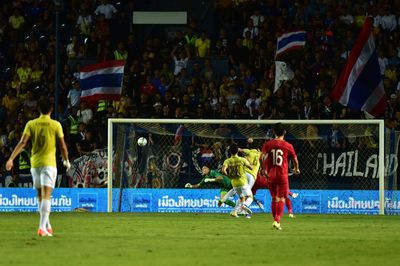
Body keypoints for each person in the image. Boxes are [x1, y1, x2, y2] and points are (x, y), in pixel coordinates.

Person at [6, 98, 71, 237]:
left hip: (35, 164)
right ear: (51, 110)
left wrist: (11, 158)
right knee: (47, 195)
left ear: (39, 110)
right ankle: (42, 227)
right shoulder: (55, 125)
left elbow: (23, 142)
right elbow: (63, 146)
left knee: (40, 195)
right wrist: (66, 161)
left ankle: (47, 225)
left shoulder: (31, 123)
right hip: (49, 164)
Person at [261, 123, 300, 230]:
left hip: (270, 175)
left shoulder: (268, 144)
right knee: (282, 198)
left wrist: (263, 169)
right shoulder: (288, 145)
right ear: (284, 132)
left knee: (274, 198)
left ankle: (275, 220)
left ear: (273, 132)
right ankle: (277, 221)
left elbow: (261, 157)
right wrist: (296, 169)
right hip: (282, 175)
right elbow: (295, 160)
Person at [222, 143, 253, 218]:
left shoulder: (227, 161)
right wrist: (249, 162)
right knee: (250, 197)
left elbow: (223, 170)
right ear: (237, 151)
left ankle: (235, 212)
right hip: (243, 182)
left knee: (242, 197)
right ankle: (244, 206)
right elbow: (251, 168)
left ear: (230, 152)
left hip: (234, 183)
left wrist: (228, 175)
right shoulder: (242, 159)